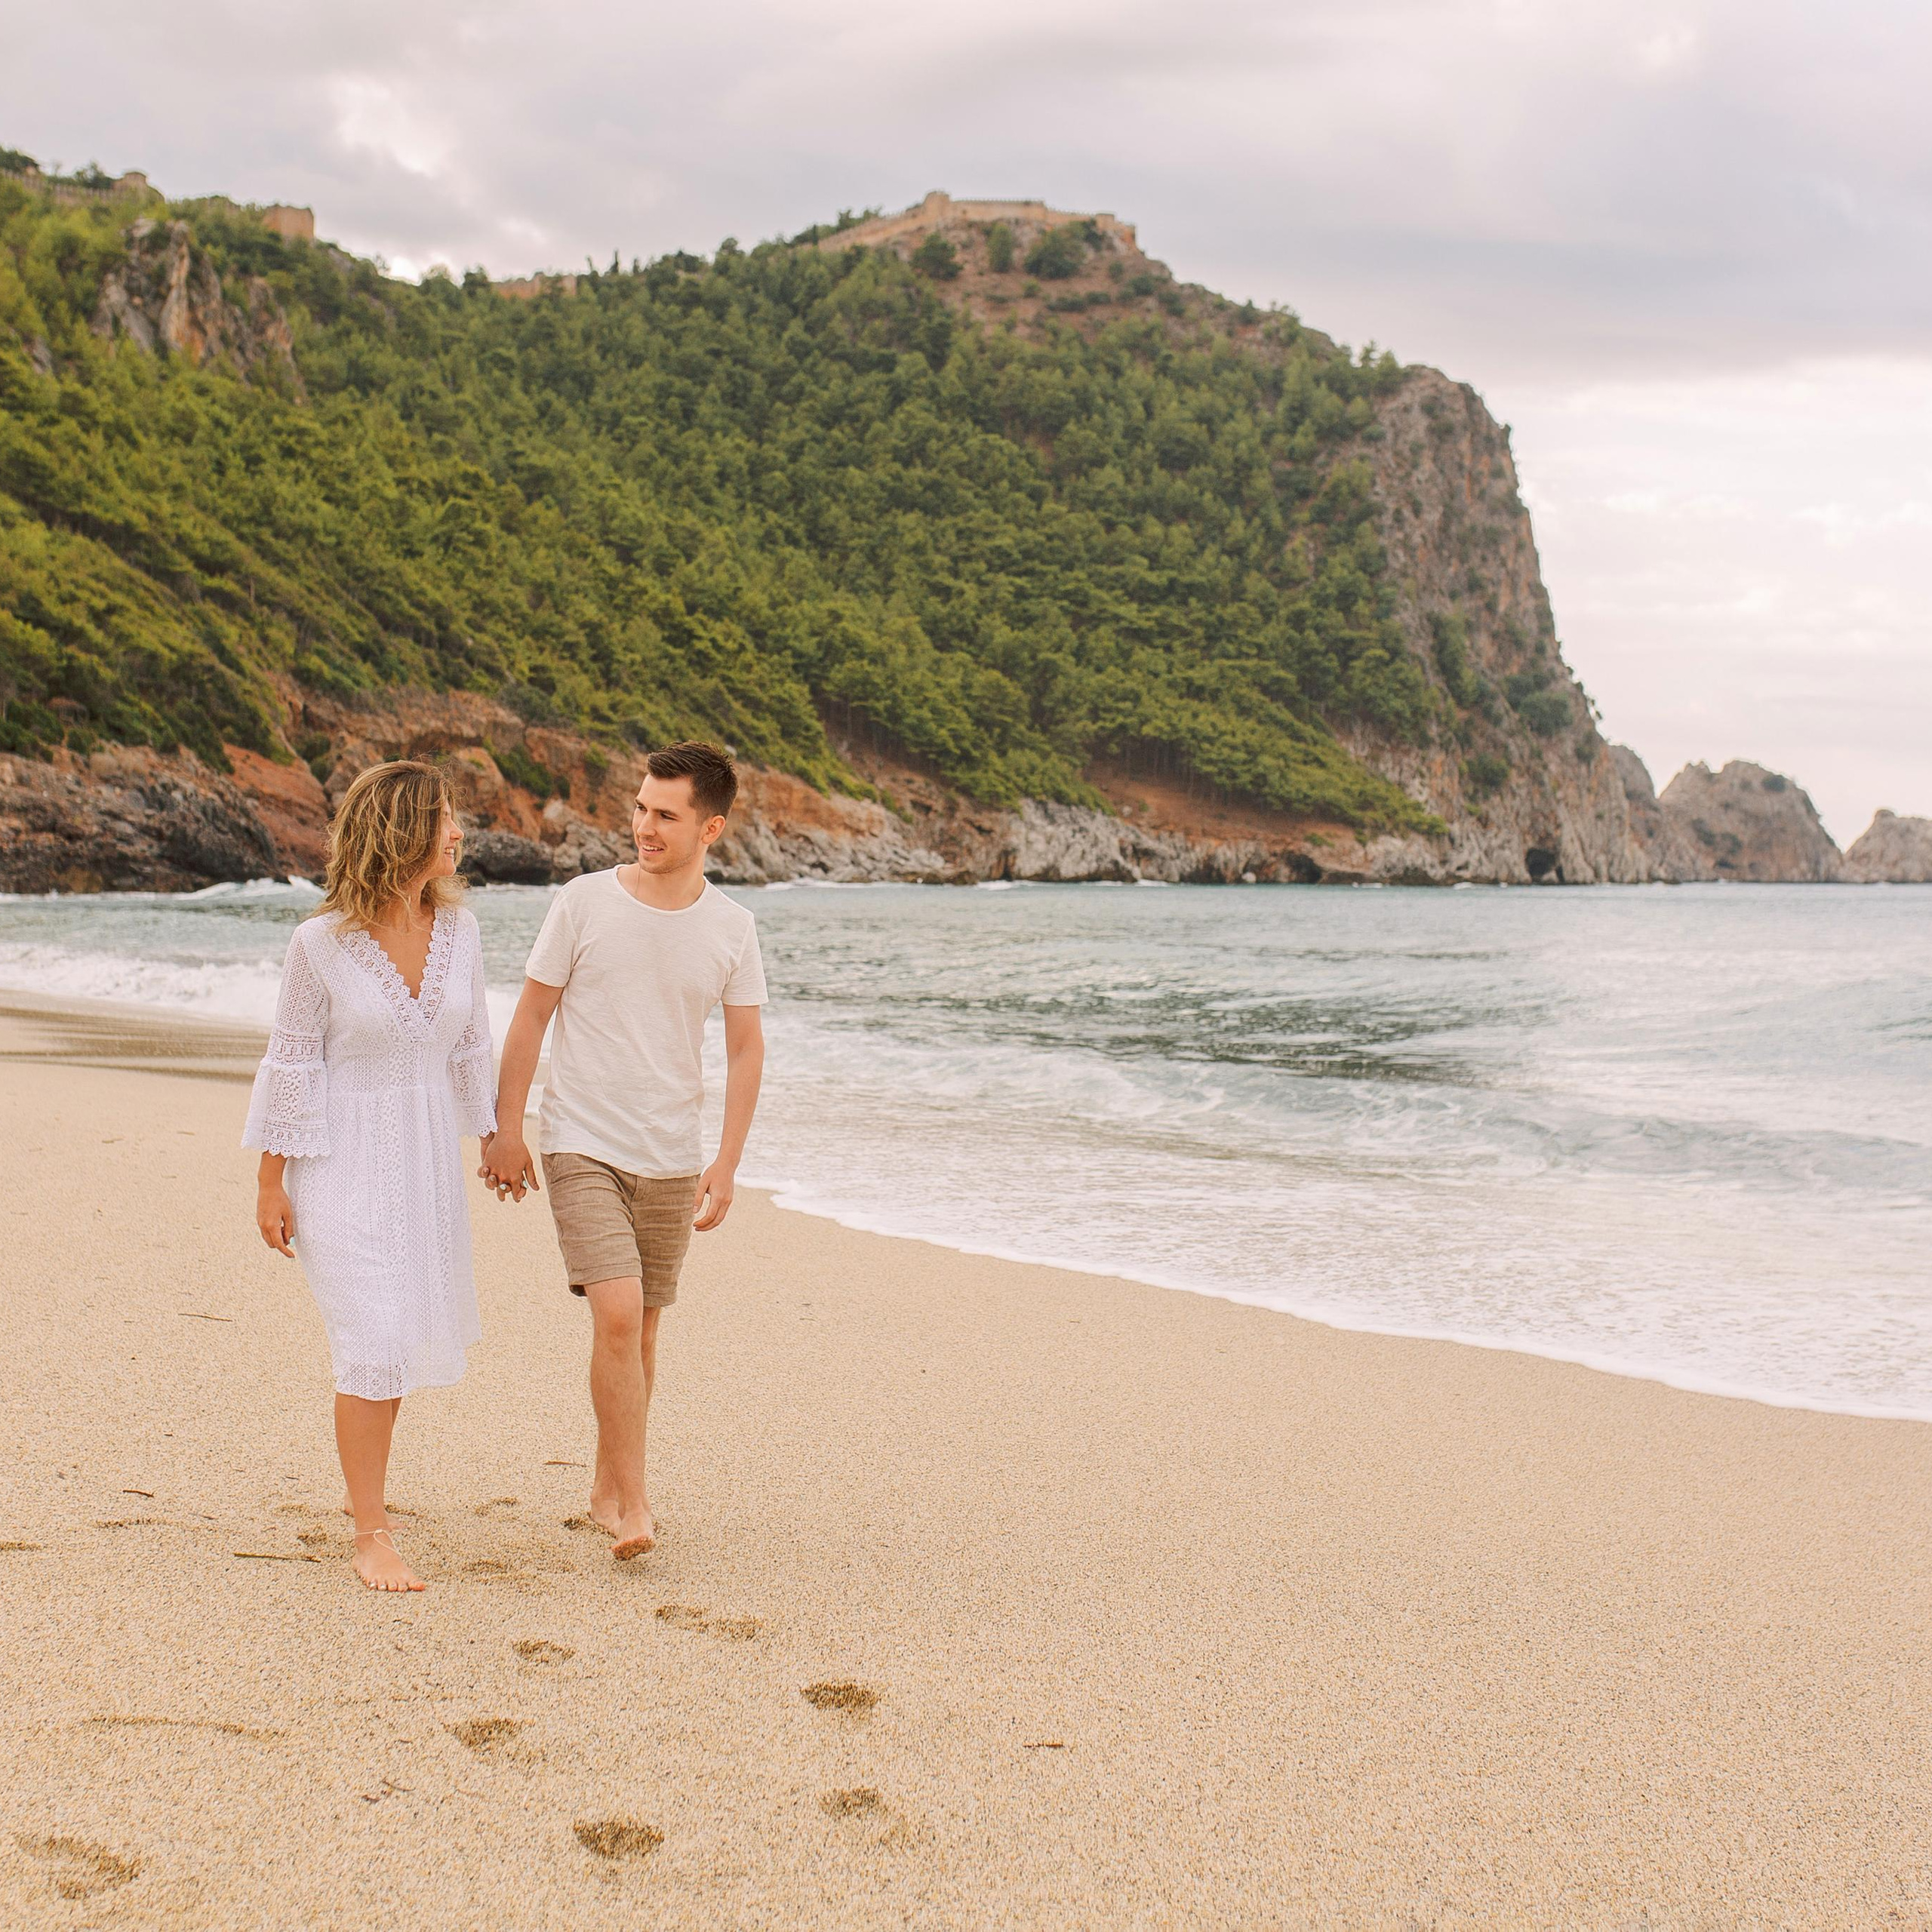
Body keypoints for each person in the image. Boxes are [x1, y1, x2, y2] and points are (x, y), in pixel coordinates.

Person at [480, 741, 765, 1561]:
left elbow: (746, 1049)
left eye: (664, 815)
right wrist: (507, 1127)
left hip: (672, 1153)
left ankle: (608, 1482)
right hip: (582, 1140)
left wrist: (728, 1160)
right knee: (613, 1313)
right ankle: (635, 1502)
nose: (643, 826)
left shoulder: (731, 928)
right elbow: (532, 1016)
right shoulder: (581, 903)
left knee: (639, 1333)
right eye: (640, 807)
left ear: (710, 828)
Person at [245, 761, 496, 1593]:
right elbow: (291, 1060)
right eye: (445, 818)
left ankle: (371, 1502)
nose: (458, 832)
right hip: (337, 1161)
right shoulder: (320, 944)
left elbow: (469, 1047)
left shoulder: (461, 935)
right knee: (370, 1341)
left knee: (394, 1341)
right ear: (403, 830)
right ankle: (370, 1533)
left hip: (422, 1162)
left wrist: (496, 1135)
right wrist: (269, 1182)